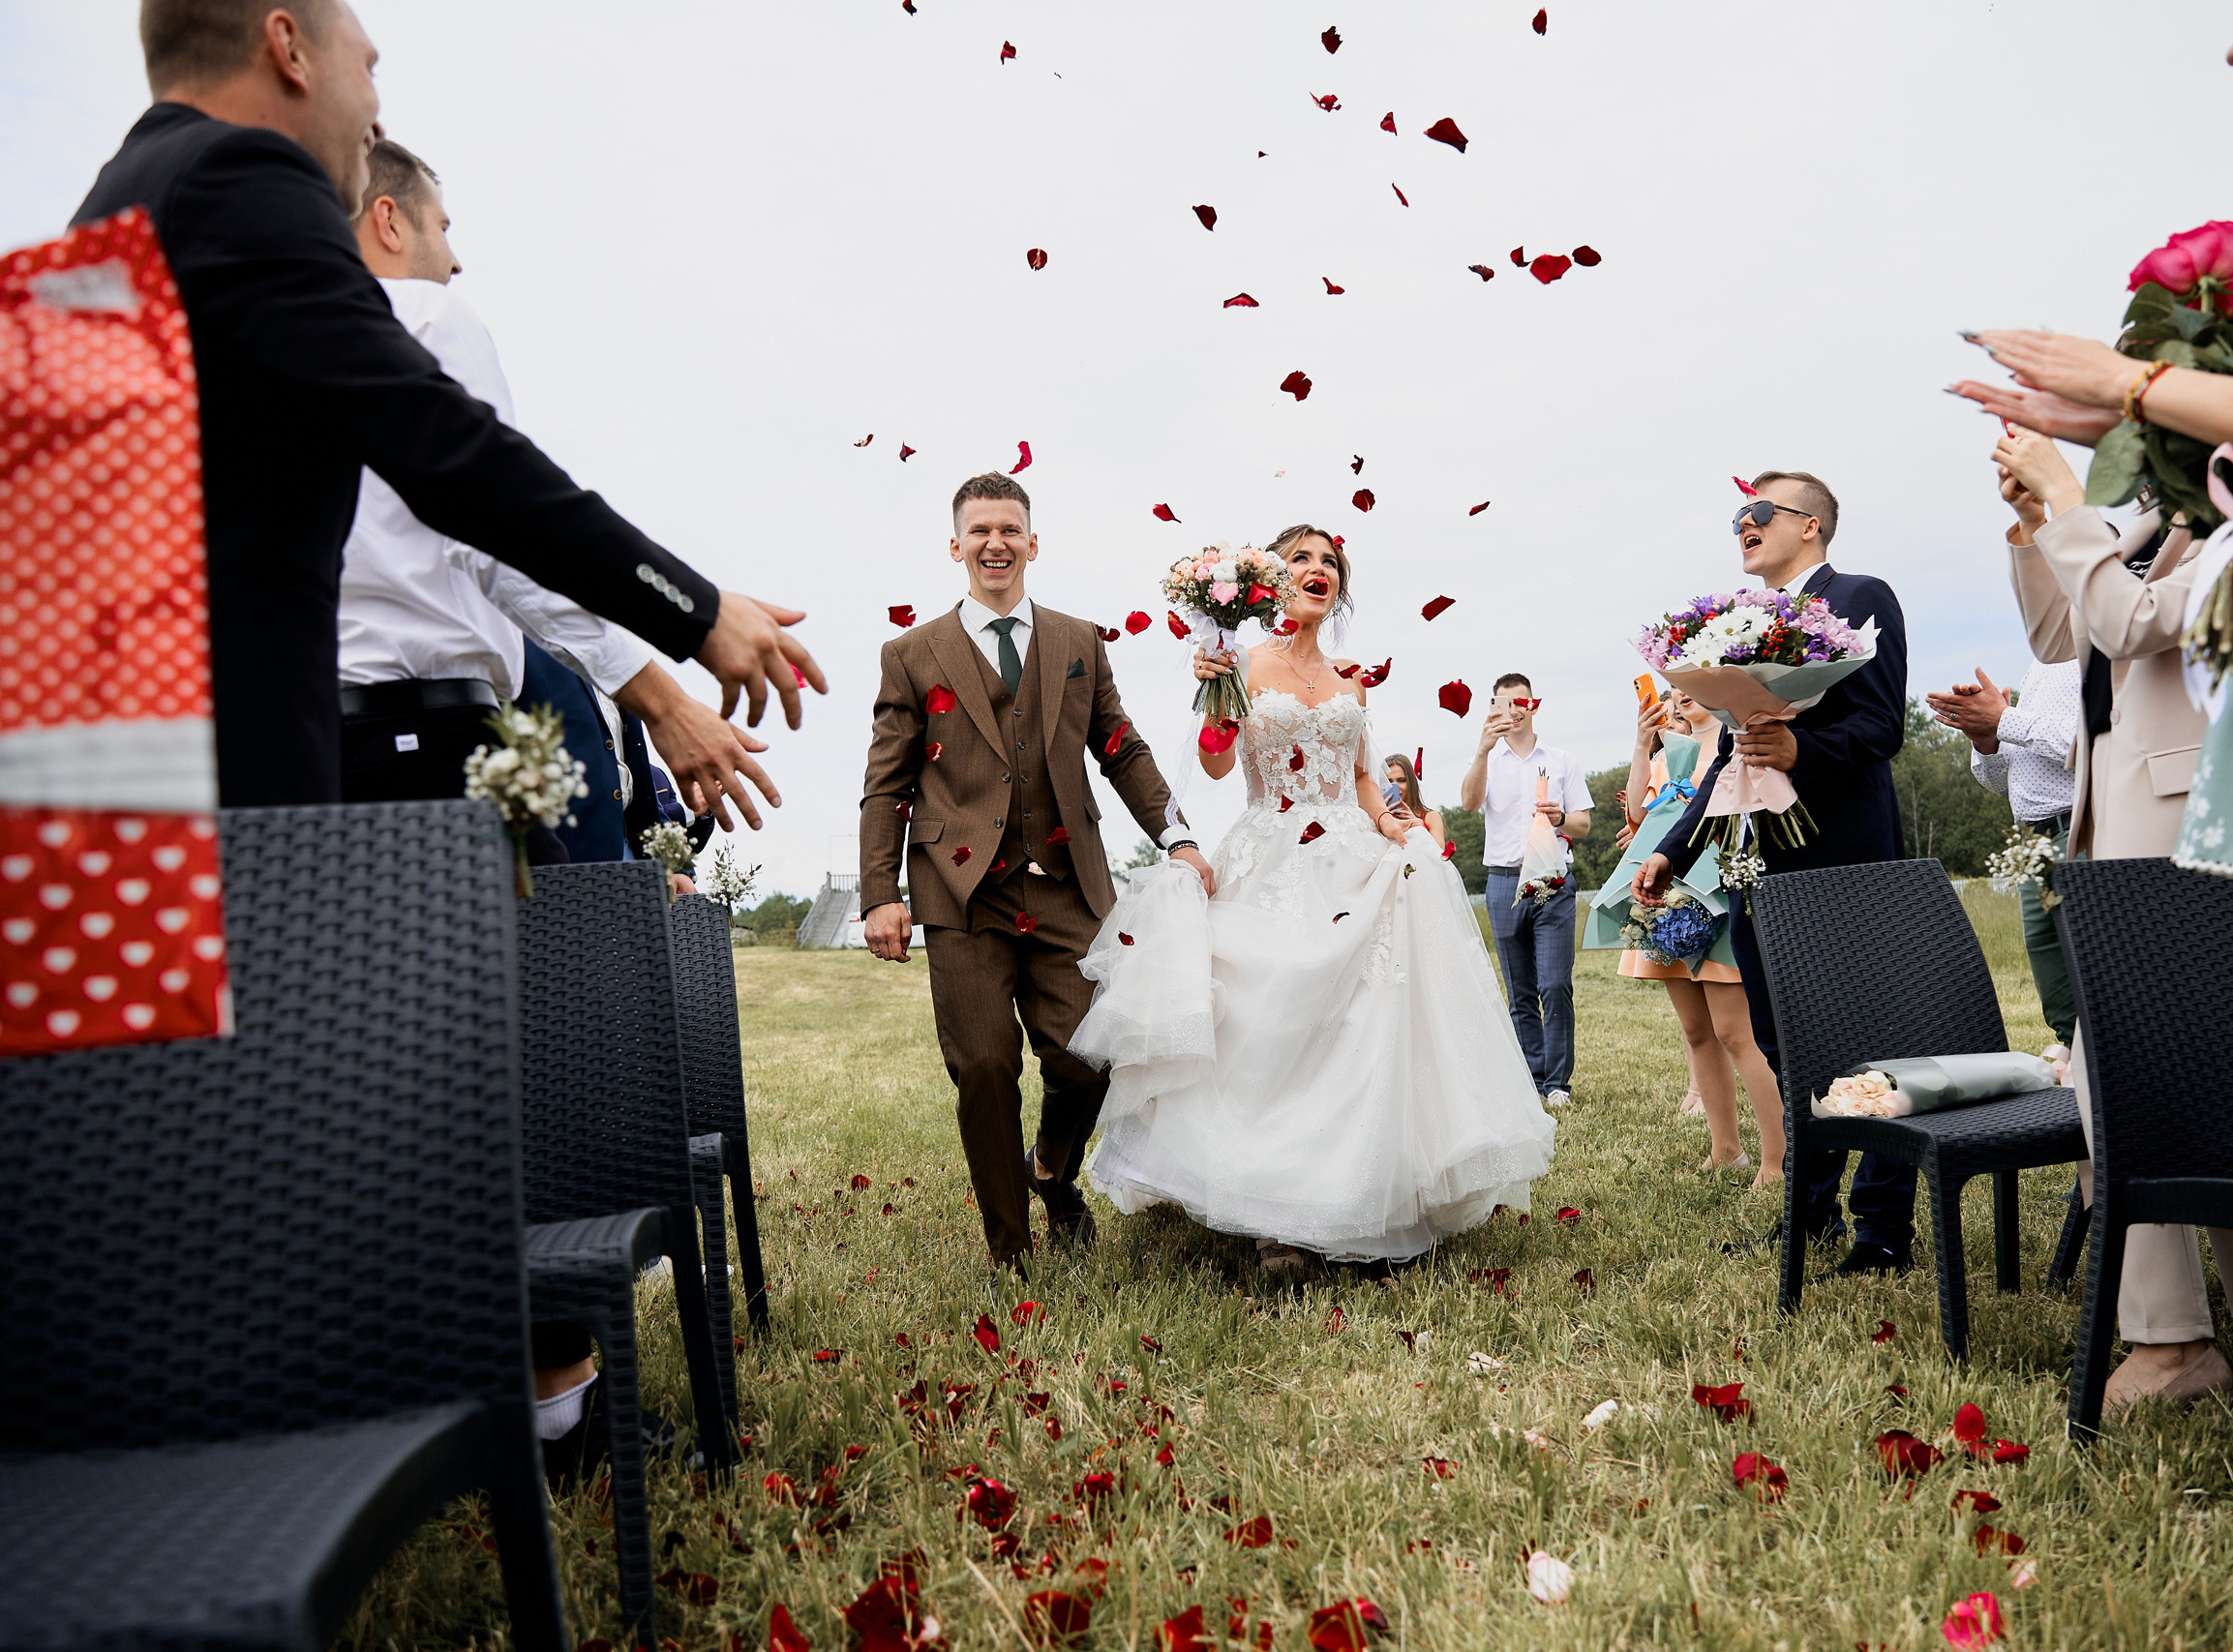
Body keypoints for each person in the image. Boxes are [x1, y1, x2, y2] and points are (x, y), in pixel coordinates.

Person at [74, 0, 821, 808]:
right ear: (288, 47)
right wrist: (696, 612)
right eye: (368, 68)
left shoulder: (121, 203)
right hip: (280, 758)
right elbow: (451, 454)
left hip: (147, 741)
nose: (375, 114)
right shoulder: (241, 178)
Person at [1069, 525, 1556, 1273]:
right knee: (1271, 1015)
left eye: (1330, 561)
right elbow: (1217, 759)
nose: (1317, 569)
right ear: (1269, 580)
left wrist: (1398, 827)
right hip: (1270, 850)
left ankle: (1354, 1186)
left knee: (1357, 1018)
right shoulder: (1239, 663)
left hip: (1350, 852)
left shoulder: (1350, 679)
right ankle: (1269, 1209)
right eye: (1300, 558)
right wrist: (1215, 689)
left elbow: (1364, 778)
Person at [1985, 425, 2233, 1409]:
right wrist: (2031, 525)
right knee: (2192, 1071)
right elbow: (2062, 635)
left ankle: (2173, 1342)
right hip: (2122, 820)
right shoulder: (2145, 510)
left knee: (2119, 1075)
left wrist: (2062, 500)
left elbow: (2132, 621)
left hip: (2194, 814)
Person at [336, 137, 778, 834]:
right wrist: (666, 697)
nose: (455, 260)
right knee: (531, 941)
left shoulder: (274, 351)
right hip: (426, 739)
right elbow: (499, 534)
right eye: (443, 228)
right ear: (389, 222)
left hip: (317, 744)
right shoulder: (423, 314)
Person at [857, 473, 1214, 1273]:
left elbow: (1120, 747)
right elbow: (887, 782)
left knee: (1090, 1057)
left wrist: (1178, 837)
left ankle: (1051, 1169)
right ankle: (1009, 1252)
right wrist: (881, 893)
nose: (995, 543)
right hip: (962, 893)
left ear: (1032, 542)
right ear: (956, 545)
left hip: (1067, 885)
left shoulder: (1079, 641)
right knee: (983, 1066)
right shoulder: (911, 654)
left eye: (1010, 529)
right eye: (979, 530)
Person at [1633, 470, 1914, 1277]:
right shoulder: (1739, 623)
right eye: (1737, 515)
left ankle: (1882, 1226)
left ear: (1813, 526)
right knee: (1788, 1043)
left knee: (1871, 1045)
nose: (1743, 525)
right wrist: (1673, 847)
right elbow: (1727, 754)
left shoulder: (1863, 595)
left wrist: (1803, 749)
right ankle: (1810, 1210)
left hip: (1844, 854)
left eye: (1759, 512)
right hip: (1758, 863)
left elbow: (1882, 724)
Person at [1590, 687, 1785, 1185]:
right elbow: (1637, 816)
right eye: (1675, 690)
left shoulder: (1735, 738)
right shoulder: (1667, 753)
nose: (1682, 697)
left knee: (1736, 1032)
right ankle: (1726, 1148)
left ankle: (1778, 1160)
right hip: (1664, 902)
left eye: (1692, 687)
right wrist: (1641, 746)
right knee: (1697, 1031)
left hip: (1716, 892)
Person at [1928, 659, 2082, 1046]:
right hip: (2030, 845)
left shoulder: (2097, 653)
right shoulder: (2040, 668)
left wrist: (2005, 719)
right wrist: (1986, 738)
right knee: (2057, 988)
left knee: (2096, 979)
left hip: (2080, 835)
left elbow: (2093, 744)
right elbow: (2004, 782)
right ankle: (2081, 1074)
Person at [1459, 675, 1593, 1107]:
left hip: (1552, 878)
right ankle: (1533, 1078)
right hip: (1502, 880)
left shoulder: (1561, 760)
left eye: (1520, 702)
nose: (1512, 711)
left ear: (1533, 704)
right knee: (1518, 989)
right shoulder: (1488, 760)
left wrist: (1558, 820)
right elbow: (1467, 802)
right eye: (1502, 704)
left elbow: (1583, 824)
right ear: (1492, 709)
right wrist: (1481, 749)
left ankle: (1557, 1084)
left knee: (1554, 984)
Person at [1380, 752, 1444, 847]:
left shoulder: (1430, 817)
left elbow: (1440, 857)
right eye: (1389, 782)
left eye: (1401, 780)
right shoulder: (1375, 819)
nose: (1396, 787)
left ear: (1411, 783)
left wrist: (1418, 826)